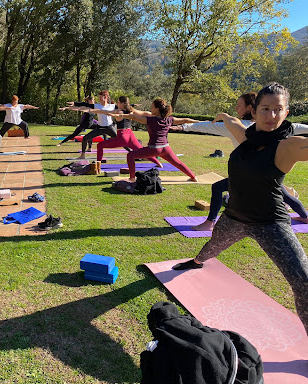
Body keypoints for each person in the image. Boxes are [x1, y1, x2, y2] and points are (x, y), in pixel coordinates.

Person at [172, 83, 308, 337]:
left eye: (279, 110)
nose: (272, 116)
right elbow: (231, 120)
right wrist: (222, 116)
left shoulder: (287, 146)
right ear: (253, 112)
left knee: (304, 281)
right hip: (233, 217)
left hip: (271, 224)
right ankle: (197, 262)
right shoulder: (244, 136)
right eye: (265, 109)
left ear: (286, 112)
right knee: (211, 247)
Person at [179, 93, 308, 231]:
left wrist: (184, 127)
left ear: (250, 108)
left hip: (247, 174)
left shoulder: (241, 126)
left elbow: (210, 126)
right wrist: (224, 116)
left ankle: (210, 222)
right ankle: (305, 217)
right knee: (283, 194)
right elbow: (299, 127)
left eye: (239, 105)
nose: (236, 108)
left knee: (218, 188)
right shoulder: (278, 127)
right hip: (269, 174)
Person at [112, 98, 199, 182]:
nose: (151, 109)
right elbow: (185, 120)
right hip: (166, 148)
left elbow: (134, 117)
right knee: (178, 163)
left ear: (157, 109)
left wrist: (122, 115)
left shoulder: (151, 120)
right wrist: (201, 122)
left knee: (130, 155)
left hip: (154, 149)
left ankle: (132, 178)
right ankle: (193, 177)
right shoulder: (169, 119)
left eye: (152, 107)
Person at [91, 96, 162, 166]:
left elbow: (111, 113)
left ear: (122, 104)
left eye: (118, 102)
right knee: (142, 151)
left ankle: (97, 165)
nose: (117, 104)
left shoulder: (119, 111)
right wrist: (156, 115)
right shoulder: (131, 111)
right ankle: (158, 163)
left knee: (100, 145)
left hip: (122, 137)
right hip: (130, 135)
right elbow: (144, 113)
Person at [64, 90, 118, 159]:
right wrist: (74, 103)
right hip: (100, 128)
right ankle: (82, 155)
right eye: (99, 98)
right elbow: (86, 105)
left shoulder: (112, 106)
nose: (99, 99)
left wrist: (132, 107)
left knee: (121, 140)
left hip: (109, 128)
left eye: (101, 98)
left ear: (106, 97)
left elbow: (124, 107)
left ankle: (132, 152)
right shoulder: (97, 106)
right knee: (85, 138)